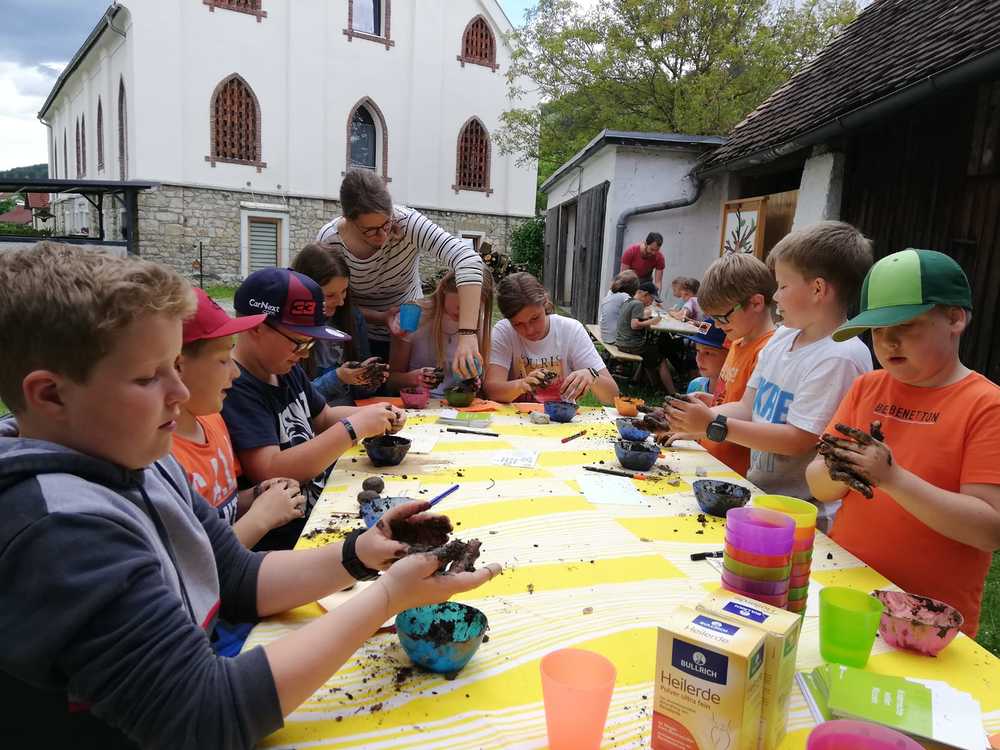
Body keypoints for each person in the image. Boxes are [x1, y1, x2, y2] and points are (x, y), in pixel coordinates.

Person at [0, 242, 500, 749]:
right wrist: (388, 597)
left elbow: (236, 575)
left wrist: (363, 552)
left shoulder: (138, 458)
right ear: (51, 395)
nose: (179, 392)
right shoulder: (60, 529)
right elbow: (203, 715)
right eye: (149, 376)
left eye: (175, 366)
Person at [806, 249, 1000, 637]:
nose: (888, 341)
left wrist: (892, 479)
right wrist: (839, 469)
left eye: (906, 325)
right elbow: (818, 484)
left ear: (955, 319)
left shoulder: (985, 405)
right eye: (877, 330)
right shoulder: (867, 387)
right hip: (847, 584)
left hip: (928, 616)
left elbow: (988, 530)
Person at [665, 222, 873, 529]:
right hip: (760, 496)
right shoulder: (782, 337)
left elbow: (799, 439)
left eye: (783, 286)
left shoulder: (840, 356)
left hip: (803, 517)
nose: (775, 296)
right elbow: (747, 407)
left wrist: (713, 425)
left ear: (817, 289)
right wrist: (695, 416)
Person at [221, 267, 407, 550]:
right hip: (287, 538)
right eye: (299, 341)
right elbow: (269, 469)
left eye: (310, 342)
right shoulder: (236, 387)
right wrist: (353, 429)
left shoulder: (284, 368)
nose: (305, 352)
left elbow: (322, 417)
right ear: (256, 327)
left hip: (319, 508)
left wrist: (378, 414)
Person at [316, 169, 486, 379]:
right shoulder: (330, 240)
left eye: (386, 224)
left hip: (408, 331)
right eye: (370, 230)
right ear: (347, 219)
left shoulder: (407, 222)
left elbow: (468, 259)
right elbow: (328, 301)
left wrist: (467, 334)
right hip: (357, 334)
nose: (382, 235)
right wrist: (380, 318)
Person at [173, 288, 306, 550]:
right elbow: (196, 564)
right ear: (178, 366)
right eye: (223, 360)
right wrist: (261, 518)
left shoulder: (212, 419)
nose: (235, 373)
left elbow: (222, 508)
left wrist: (257, 495)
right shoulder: (161, 461)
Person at [676, 253, 778, 476]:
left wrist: (701, 420)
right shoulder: (736, 342)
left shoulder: (769, 351)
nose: (718, 325)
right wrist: (710, 402)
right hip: (711, 454)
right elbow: (736, 399)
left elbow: (754, 415)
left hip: (734, 470)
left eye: (722, 317)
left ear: (756, 303)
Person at [485, 272, 619, 404]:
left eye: (535, 318)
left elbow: (612, 396)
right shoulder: (504, 331)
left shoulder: (571, 330)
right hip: (515, 415)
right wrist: (521, 385)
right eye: (518, 324)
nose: (529, 330)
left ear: (545, 303)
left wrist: (592, 375)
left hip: (560, 415)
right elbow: (491, 391)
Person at [291, 242, 386, 406]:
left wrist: (367, 378)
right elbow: (293, 399)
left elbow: (360, 394)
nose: (341, 302)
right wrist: (338, 377)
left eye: (344, 291)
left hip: (351, 411)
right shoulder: (288, 329)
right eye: (330, 295)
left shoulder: (352, 318)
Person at [388, 271, 493, 398]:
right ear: (445, 288)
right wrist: (414, 378)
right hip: (416, 402)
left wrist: (473, 382)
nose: (465, 311)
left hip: (459, 404)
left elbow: (482, 382)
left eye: (474, 307)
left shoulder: (479, 324)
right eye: (461, 303)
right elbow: (391, 381)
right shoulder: (412, 315)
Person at [615, 280, 677, 394]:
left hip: (621, 342)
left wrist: (645, 318)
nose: (651, 302)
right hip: (631, 344)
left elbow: (632, 320)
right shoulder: (638, 304)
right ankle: (672, 392)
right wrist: (652, 321)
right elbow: (634, 325)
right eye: (651, 299)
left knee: (651, 352)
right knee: (660, 359)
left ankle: (650, 385)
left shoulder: (628, 301)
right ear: (645, 294)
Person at [683, 318, 728, 402]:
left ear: (730, 354)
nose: (699, 359)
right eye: (697, 351)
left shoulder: (735, 394)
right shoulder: (695, 386)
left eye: (708, 353)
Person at [598, 269, 639, 344]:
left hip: (605, 335)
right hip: (615, 339)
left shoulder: (611, 294)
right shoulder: (625, 297)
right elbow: (635, 319)